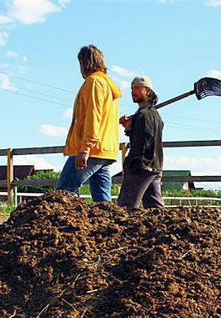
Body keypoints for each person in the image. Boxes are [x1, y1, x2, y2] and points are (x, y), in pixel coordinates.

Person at [56, 45, 122, 202]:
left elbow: (94, 117)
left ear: (85, 63)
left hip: (91, 150)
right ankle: (109, 226)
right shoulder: (108, 85)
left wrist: (85, 149)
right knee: (103, 203)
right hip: (106, 151)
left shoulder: (94, 83)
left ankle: (62, 227)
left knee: (63, 194)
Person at [117, 76, 165, 209]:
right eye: (132, 88)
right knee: (155, 210)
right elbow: (146, 136)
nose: (133, 91)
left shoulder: (144, 115)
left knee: (125, 207)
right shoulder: (154, 115)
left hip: (142, 166)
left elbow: (143, 142)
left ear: (148, 92)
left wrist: (130, 164)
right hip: (155, 166)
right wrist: (130, 128)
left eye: (137, 88)